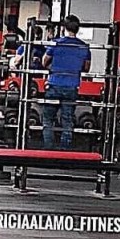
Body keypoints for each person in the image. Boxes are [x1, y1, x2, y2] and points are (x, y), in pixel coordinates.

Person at [41, 14, 92, 149]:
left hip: (54, 84)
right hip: (72, 86)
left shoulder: (56, 43)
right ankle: (65, 149)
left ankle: (48, 148)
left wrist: (55, 68)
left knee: (48, 118)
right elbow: (86, 67)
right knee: (67, 119)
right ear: (77, 29)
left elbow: (44, 61)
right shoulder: (84, 47)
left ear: (64, 28)